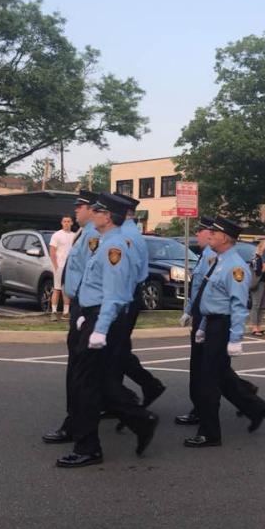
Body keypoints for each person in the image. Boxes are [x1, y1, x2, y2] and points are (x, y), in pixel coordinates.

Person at [56, 193, 159, 468]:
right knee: (94, 380)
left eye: (98, 211)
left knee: (85, 383)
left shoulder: (115, 248)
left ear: (107, 216)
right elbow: (94, 285)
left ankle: (88, 447)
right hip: (92, 316)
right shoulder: (105, 243)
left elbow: (114, 295)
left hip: (102, 319)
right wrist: (83, 317)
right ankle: (139, 419)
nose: (93, 214)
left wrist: (98, 328)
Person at [183, 216, 265, 448]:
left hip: (221, 327)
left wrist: (235, 339)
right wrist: (201, 326)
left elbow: (237, 305)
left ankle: (210, 433)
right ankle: (255, 408)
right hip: (211, 324)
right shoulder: (218, 260)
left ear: (224, 237)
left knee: (209, 382)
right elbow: (209, 298)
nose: (208, 235)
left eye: (213, 233)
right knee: (218, 375)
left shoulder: (234, 266)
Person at [42, 190, 100, 444]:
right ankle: (78, 420)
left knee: (82, 372)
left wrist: (84, 309)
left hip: (85, 306)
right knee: (82, 370)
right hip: (77, 304)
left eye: (80, 206)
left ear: (92, 209)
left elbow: (93, 275)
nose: (76, 210)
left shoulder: (93, 236)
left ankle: (77, 424)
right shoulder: (83, 233)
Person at [111, 193, 165, 413]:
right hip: (126, 296)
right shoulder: (128, 232)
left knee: (116, 351)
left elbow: (125, 273)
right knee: (118, 350)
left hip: (124, 297)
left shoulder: (126, 235)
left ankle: (142, 389)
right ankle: (121, 397)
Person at [49, 216, 74, 320]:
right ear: (61, 223)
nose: (66, 223)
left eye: (68, 221)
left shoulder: (74, 235)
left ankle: (66, 312)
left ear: (72, 223)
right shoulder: (57, 235)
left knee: (66, 290)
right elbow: (52, 251)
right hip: (60, 266)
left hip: (70, 267)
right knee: (57, 288)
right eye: (65, 221)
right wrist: (55, 266)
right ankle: (54, 312)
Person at [249, 239, 265, 335]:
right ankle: (254, 327)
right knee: (256, 304)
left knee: (262, 305)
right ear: (260, 248)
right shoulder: (256, 259)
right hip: (258, 282)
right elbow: (257, 271)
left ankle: (259, 325)